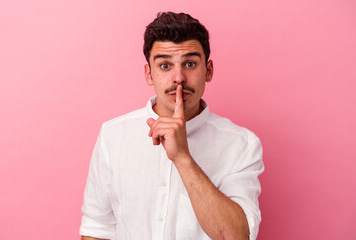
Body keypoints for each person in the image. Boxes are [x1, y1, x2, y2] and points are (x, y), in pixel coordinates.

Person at [80, 12, 264, 240]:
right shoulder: (113, 135)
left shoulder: (242, 144)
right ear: (149, 74)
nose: (179, 77)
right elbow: (97, 227)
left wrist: (183, 158)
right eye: (165, 65)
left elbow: (237, 236)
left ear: (208, 71)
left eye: (189, 63)